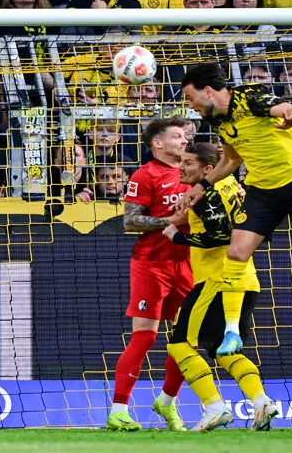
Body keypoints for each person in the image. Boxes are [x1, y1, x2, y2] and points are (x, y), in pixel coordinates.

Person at [177, 63, 292, 356]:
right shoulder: (218, 121)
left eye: (190, 97)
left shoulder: (249, 97)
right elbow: (232, 160)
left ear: (208, 91)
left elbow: (286, 108)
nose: (190, 105)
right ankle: (233, 332)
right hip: (262, 189)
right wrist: (202, 186)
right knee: (236, 253)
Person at [161, 142, 279, 431]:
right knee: (225, 351)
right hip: (246, 279)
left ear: (208, 169)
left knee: (179, 343)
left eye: (189, 162)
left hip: (217, 280)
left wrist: (177, 237)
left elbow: (220, 235)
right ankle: (262, 402)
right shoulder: (232, 184)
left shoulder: (205, 193)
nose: (182, 167)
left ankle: (215, 407)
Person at [107, 117, 192, 432]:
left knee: (189, 339)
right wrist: (171, 219)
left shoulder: (194, 172)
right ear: (158, 143)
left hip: (188, 262)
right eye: (178, 136)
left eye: (185, 137)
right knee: (145, 337)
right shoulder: (145, 175)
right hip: (152, 263)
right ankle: (118, 410)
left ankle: (167, 403)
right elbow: (131, 222)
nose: (184, 141)